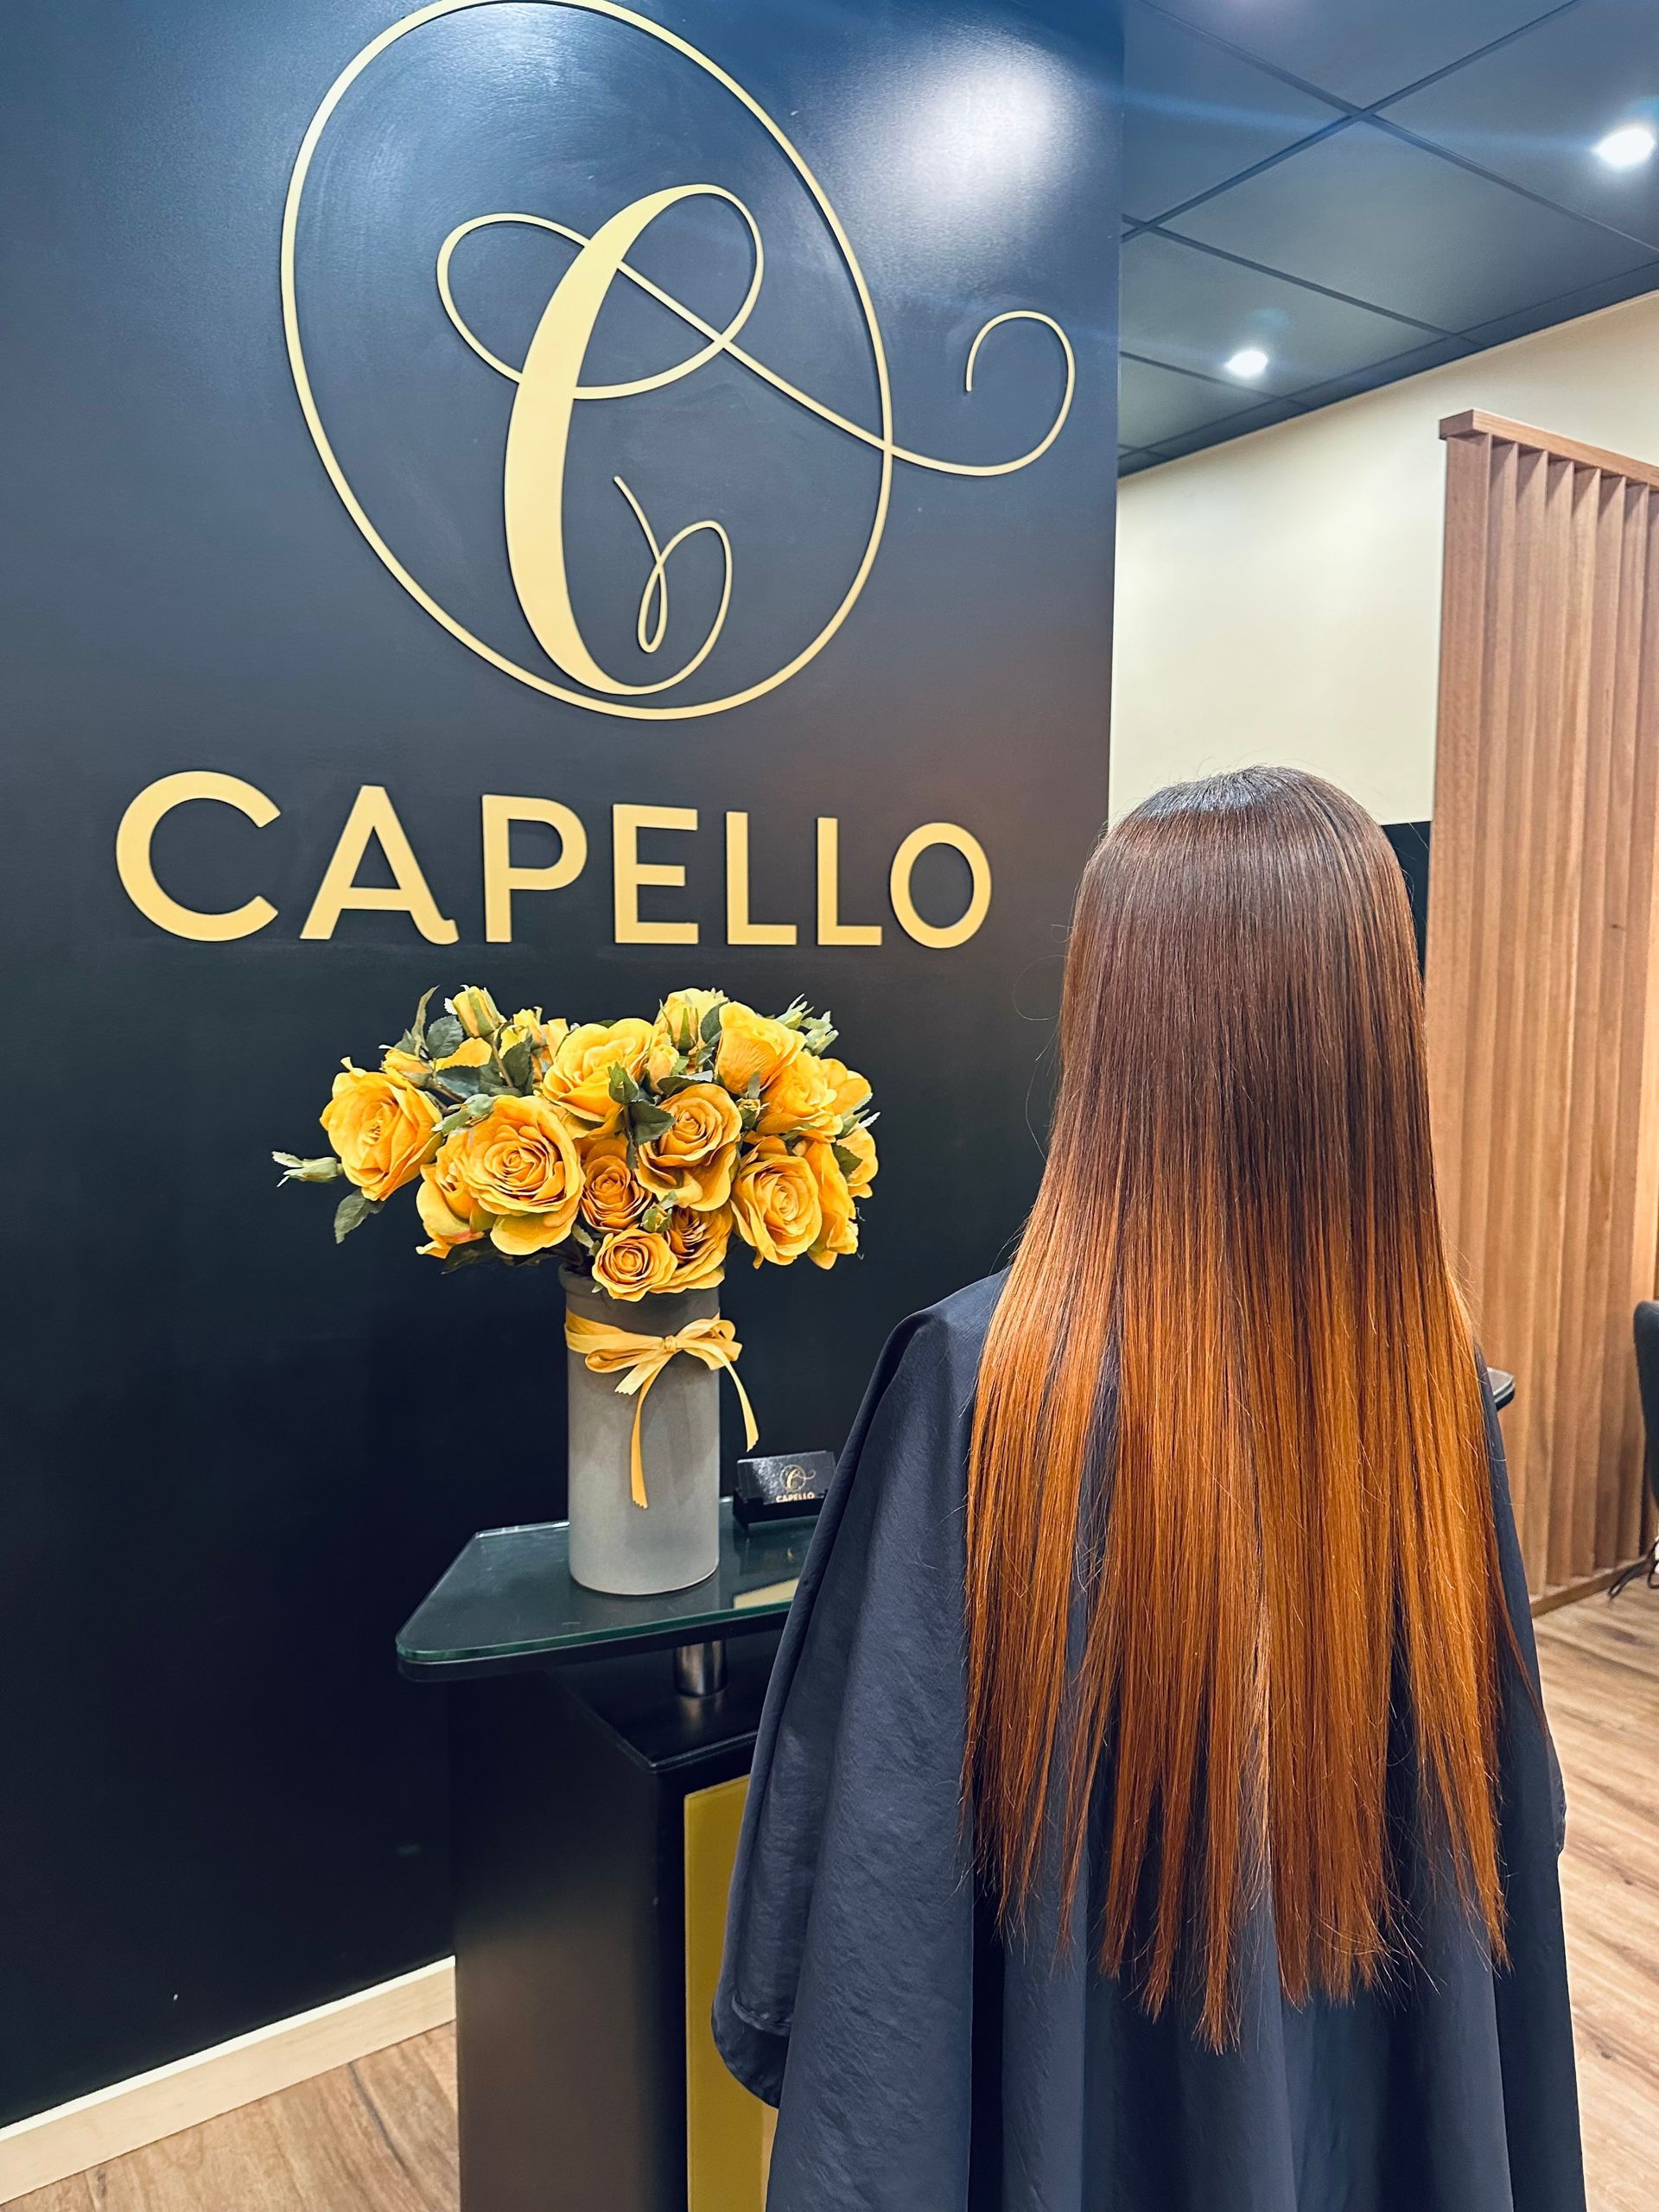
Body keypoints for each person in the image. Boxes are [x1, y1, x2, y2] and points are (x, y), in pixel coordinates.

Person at [714, 767, 1583, 2212]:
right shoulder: (1431, 1373)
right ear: (1379, 1032)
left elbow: (866, 1885)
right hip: (1365, 2123)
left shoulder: (988, 1380)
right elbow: (1514, 1818)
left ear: (1109, 1021)